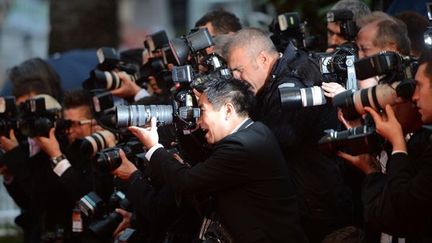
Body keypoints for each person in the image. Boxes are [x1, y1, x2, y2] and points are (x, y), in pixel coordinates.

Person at [115, 75, 308, 243]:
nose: (198, 121)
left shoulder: (241, 146)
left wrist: (153, 147)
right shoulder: (255, 131)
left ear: (228, 110)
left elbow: (186, 182)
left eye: (202, 110)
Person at [226, 27, 351, 242]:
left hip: (316, 207)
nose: (236, 79)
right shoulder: (278, 78)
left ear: (263, 59)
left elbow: (273, 144)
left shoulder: (293, 84)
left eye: (238, 70)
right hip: (307, 201)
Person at [337, 51, 432, 241]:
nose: (413, 97)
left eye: (419, 86)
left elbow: (404, 209)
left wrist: (398, 144)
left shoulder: (422, 146)